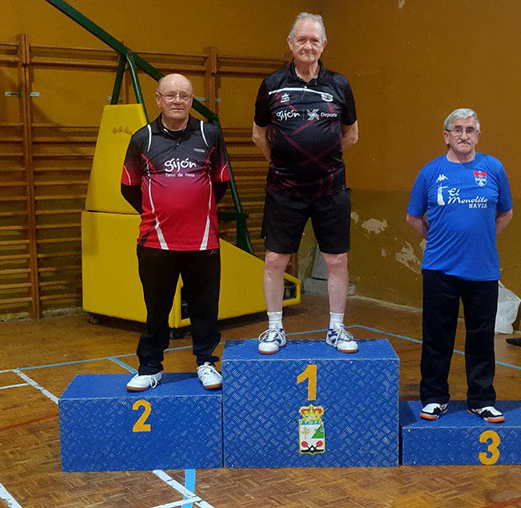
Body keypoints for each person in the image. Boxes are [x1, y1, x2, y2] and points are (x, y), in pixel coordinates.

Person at [252, 12, 359, 355]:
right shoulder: (272, 85)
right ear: (290, 44)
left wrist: (320, 161)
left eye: (314, 40)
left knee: (337, 261)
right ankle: (274, 329)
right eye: (302, 40)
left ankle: (337, 328)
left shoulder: (339, 85)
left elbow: (351, 134)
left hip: (331, 189)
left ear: (324, 44)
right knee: (274, 260)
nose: (308, 46)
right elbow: (258, 134)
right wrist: (285, 163)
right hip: (285, 189)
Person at [120, 73, 230, 392]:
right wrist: (160, 213)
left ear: (192, 100)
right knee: (157, 308)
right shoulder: (142, 138)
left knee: (205, 307)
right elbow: (129, 187)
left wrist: (194, 211)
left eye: (184, 95)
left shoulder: (210, 135)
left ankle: (206, 362)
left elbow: (221, 183)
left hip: (203, 241)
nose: (178, 101)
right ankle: (150, 366)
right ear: (158, 100)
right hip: (155, 243)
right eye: (171, 96)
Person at [406, 108, 513, 423]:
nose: (464, 135)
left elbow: (506, 213)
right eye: (457, 129)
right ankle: (435, 397)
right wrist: (438, 239)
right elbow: (413, 217)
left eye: (470, 129)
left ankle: (481, 399)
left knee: (481, 338)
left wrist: (482, 240)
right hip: (440, 270)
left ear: (478, 135)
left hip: (483, 271)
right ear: (446, 136)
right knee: (437, 337)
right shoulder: (429, 172)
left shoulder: (494, 169)